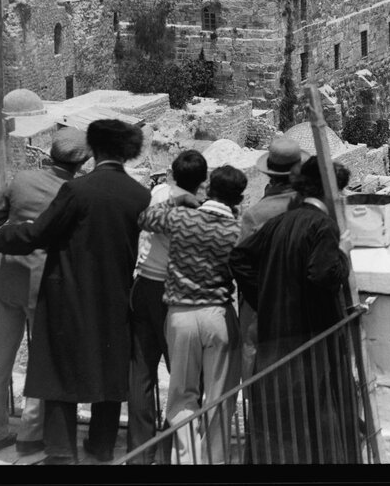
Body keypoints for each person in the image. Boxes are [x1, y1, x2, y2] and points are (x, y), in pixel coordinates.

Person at [0, 119, 150, 465]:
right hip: (114, 293)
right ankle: (101, 445)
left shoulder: (77, 191)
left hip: (67, 290)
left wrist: (2, 236)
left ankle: (62, 450)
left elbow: (39, 234)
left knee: (59, 368)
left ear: (93, 150)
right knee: (108, 368)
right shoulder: (140, 195)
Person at [229, 156, 355, 464]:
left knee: (277, 426)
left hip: (275, 339)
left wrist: (266, 299)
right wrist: (343, 254)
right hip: (310, 345)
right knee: (314, 424)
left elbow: (239, 258)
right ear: (329, 192)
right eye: (340, 191)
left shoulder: (278, 222)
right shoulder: (324, 226)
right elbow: (322, 274)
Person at [0, 127, 91, 458]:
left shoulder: (20, 179)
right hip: (46, 283)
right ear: (82, 160)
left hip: (7, 275)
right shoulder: (75, 190)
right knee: (43, 362)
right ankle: (29, 434)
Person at [139, 163, 247, 464]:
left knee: (182, 396)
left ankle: (187, 461)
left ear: (208, 190)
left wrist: (178, 199)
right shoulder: (236, 230)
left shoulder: (182, 217)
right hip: (218, 314)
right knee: (219, 397)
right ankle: (214, 461)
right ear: (237, 200)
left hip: (180, 315)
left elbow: (145, 218)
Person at [127, 149, 208, 463]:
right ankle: (171, 447)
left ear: (172, 173)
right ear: (201, 180)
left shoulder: (159, 193)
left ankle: (139, 453)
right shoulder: (198, 211)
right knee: (184, 376)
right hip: (173, 293)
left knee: (142, 372)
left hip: (144, 285)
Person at [235, 135, 302, 379]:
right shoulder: (308, 208)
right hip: (299, 304)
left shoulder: (256, 214)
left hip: (261, 306)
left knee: (255, 365)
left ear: (269, 175)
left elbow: (241, 263)